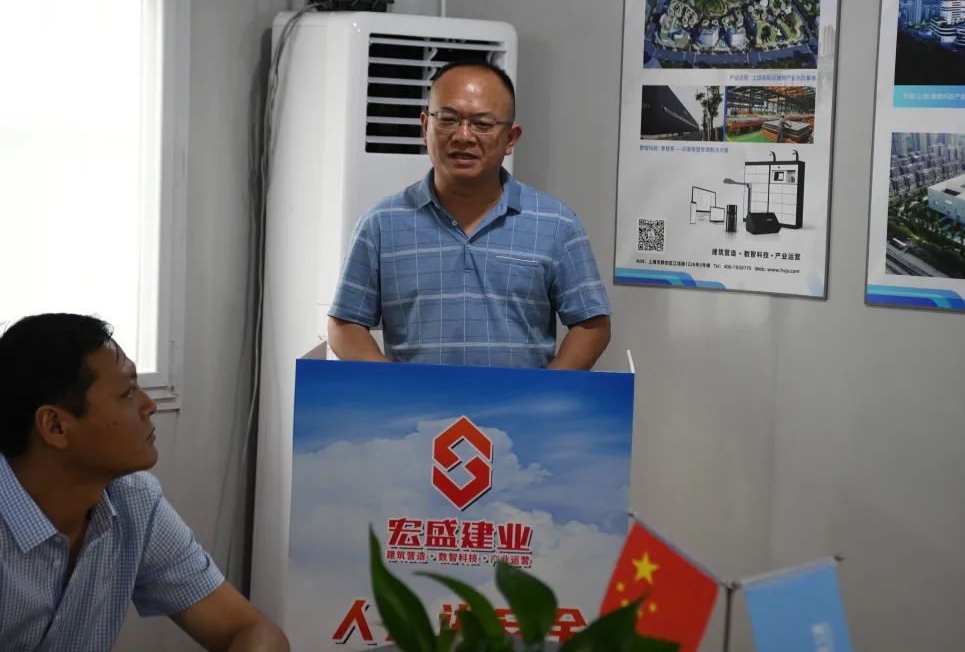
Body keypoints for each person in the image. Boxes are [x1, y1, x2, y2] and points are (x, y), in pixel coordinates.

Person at [0, 313, 290, 652]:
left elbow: (250, 629)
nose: (149, 405)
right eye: (127, 393)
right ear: (55, 426)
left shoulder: (131, 500)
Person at [328, 59, 611, 369]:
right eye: (448, 119)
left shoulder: (557, 224)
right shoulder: (381, 224)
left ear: (511, 138)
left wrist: (546, 389)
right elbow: (345, 325)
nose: (463, 136)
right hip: (415, 400)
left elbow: (592, 325)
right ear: (425, 127)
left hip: (520, 402)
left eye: (483, 124)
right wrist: (391, 386)